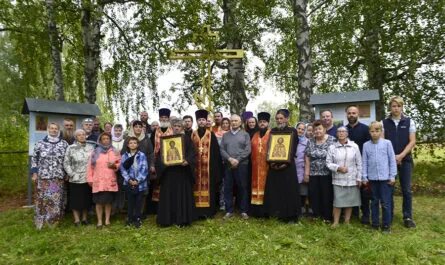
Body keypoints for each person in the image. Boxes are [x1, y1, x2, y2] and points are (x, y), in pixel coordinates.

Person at [383, 96, 417, 228]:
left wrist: (401, 156)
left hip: (406, 160)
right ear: (390, 108)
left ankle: (407, 217)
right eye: (393, 106)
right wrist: (393, 158)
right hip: (389, 161)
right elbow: (383, 143)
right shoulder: (384, 123)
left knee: (407, 190)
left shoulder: (409, 121)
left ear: (402, 107)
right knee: (388, 188)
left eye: (398, 106)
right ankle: (388, 215)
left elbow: (412, 141)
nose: (396, 108)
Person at [156, 118, 196, 227]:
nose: (177, 128)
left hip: (182, 173)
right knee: (168, 196)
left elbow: (192, 154)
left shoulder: (187, 139)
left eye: (179, 126)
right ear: (171, 127)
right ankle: (167, 220)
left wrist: (187, 161)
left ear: (182, 127)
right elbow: (160, 156)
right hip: (169, 173)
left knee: (182, 196)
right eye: (175, 126)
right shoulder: (166, 140)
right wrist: (164, 162)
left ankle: (182, 219)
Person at [263, 109, 300, 222]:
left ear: (287, 119)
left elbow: (293, 148)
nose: (279, 120)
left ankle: (290, 216)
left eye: (281, 118)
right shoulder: (272, 131)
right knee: (275, 190)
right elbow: (269, 147)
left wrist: (285, 163)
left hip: (288, 167)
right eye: (277, 118)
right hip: (274, 166)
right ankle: (276, 213)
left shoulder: (292, 131)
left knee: (288, 191)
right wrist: (272, 163)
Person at [31, 122, 69, 229]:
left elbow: (66, 160)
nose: (54, 130)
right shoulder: (40, 143)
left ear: (58, 130)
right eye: (52, 128)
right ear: (48, 129)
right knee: (42, 198)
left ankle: (53, 221)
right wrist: (34, 173)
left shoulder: (64, 144)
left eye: (56, 128)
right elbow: (34, 159)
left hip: (57, 178)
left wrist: (66, 173)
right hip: (43, 177)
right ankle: (41, 220)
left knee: (54, 198)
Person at [362, 121, 397, 233]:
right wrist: (364, 177)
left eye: (377, 131)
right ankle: (375, 224)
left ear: (381, 131)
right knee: (374, 202)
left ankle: (386, 225)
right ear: (369, 132)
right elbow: (364, 162)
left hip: (385, 179)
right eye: (372, 131)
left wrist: (392, 176)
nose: (374, 133)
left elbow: (392, 160)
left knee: (386, 203)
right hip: (372, 179)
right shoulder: (366, 145)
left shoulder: (387, 143)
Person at [326, 126, 362, 227]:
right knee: (338, 201)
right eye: (339, 132)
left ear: (347, 134)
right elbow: (328, 163)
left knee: (349, 201)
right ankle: (336, 222)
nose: (341, 133)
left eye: (343, 131)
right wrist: (338, 168)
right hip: (338, 179)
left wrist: (359, 177)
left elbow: (359, 163)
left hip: (352, 179)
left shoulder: (354, 146)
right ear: (337, 134)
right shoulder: (332, 147)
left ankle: (347, 221)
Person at [191, 109, 223, 219]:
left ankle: (208, 212)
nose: (201, 122)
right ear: (197, 121)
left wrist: (215, 170)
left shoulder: (211, 135)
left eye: (203, 120)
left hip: (208, 170)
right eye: (199, 120)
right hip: (195, 168)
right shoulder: (192, 135)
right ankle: (196, 212)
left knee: (209, 189)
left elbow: (216, 154)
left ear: (206, 121)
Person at [220, 114, 251, 220]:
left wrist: (238, 160)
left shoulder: (245, 135)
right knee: (228, 188)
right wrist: (230, 159)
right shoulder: (225, 135)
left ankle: (243, 210)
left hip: (242, 165)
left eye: (236, 121)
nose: (233, 123)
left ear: (240, 122)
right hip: (228, 165)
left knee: (242, 187)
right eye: (232, 121)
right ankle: (229, 211)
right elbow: (222, 149)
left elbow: (248, 150)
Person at [86, 133, 121, 228]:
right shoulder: (95, 152)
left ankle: (107, 220)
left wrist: (114, 166)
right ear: (100, 141)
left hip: (109, 180)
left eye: (107, 138)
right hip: (98, 180)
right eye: (103, 139)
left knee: (108, 202)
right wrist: (90, 179)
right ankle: (99, 221)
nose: (106, 140)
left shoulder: (115, 151)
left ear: (110, 140)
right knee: (98, 202)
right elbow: (90, 167)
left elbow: (119, 163)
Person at [121, 121, 155, 217]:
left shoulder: (146, 139)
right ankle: (131, 213)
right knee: (131, 193)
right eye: (136, 127)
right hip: (130, 170)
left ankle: (140, 213)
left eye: (140, 127)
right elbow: (123, 153)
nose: (138, 128)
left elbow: (151, 153)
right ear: (133, 128)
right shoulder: (127, 139)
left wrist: (152, 164)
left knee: (143, 192)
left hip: (143, 169)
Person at [304, 120, 336, 222]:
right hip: (313, 173)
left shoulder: (332, 140)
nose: (317, 131)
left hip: (327, 173)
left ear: (325, 129)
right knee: (314, 195)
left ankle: (327, 217)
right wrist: (306, 173)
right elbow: (307, 158)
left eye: (320, 128)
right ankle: (317, 215)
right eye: (315, 129)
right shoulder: (310, 141)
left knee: (327, 195)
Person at [345, 105, 371, 224]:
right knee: (352, 190)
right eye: (349, 113)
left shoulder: (366, 129)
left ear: (358, 114)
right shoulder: (343, 130)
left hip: (363, 164)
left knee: (364, 191)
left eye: (354, 113)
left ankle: (365, 214)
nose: (351, 115)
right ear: (347, 114)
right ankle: (354, 213)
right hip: (349, 166)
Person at [63, 129, 94, 226]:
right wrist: (71, 174)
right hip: (75, 179)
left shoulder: (91, 147)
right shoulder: (70, 148)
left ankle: (84, 219)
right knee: (75, 200)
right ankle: (76, 220)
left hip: (87, 178)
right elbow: (66, 163)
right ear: (76, 137)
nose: (82, 136)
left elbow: (94, 162)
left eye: (83, 134)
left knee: (86, 199)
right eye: (79, 135)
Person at [120, 136, 148, 228]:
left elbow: (144, 169)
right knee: (130, 201)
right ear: (127, 145)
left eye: (135, 143)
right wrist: (129, 180)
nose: (133, 144)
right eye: (131, 143)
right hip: (129, 183)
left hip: (140, 184)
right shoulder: (124, 156)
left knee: (139, 202)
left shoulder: (142, 155)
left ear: (138, 144)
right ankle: (130, 218)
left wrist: (138, 180)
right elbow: (123, 169)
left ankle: (138, 219)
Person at [150, 108, 174, 212]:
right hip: (158, 161)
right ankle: (157, 208)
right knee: (158, 183)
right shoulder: (155, 131)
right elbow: (151, 148)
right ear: (159, 118)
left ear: (168, 118)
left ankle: (169, 205)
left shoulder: (173, 130)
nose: (164, 119)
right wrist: (152, 163)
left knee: (168, 183)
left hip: (170, 162)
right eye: (162, 118)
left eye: (166, 118)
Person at [250, 112, 271, 218]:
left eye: (264, 122)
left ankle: (266, 211)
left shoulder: (271, 134)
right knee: (255, 187)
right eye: (261, 122)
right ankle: (256, 211)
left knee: (267, 188)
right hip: (255, 167)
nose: (262, 124)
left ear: (268, 123)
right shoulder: (255, 135)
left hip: (267, 167)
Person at [295, 122, 310, 215]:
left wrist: (306, 173)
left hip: (302, 168)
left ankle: (302, 209)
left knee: (303, 191)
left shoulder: (307, 142)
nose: (300, 130)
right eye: (299, 128)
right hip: (292, 168)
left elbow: (308, 158)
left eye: (302, 129)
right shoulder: (291, 139)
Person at [111, 124, 126, 214]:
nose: (118, 132)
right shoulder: (109, 142)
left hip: (123, 168)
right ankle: (112, 207)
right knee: (112, 187)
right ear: (113, 131)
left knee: (121, 187)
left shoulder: (125, 141)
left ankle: (121, 207)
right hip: (112, 168)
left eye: (119, 130)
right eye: (116, 130)